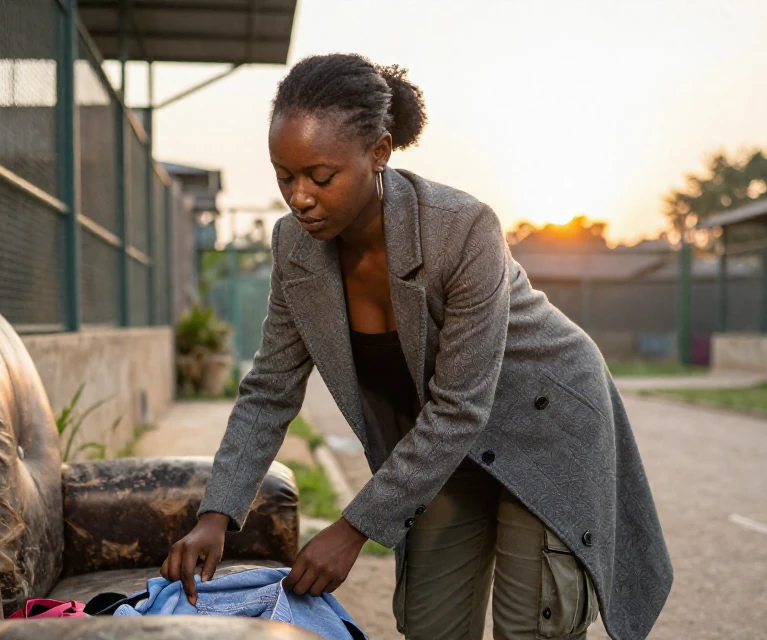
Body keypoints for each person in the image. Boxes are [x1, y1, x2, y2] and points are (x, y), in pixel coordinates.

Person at [161, 53, 672, 640]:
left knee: (531, 627)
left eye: (320, 177)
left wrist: (352, 529)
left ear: (379, 152)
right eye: (284, 176)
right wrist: (216, 514)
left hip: (540, 429)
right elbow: (269, 390)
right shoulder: (294, 250)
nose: (298, 197)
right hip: (441, 449)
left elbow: (460, 407)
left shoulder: (463, 228)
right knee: (430, 625)